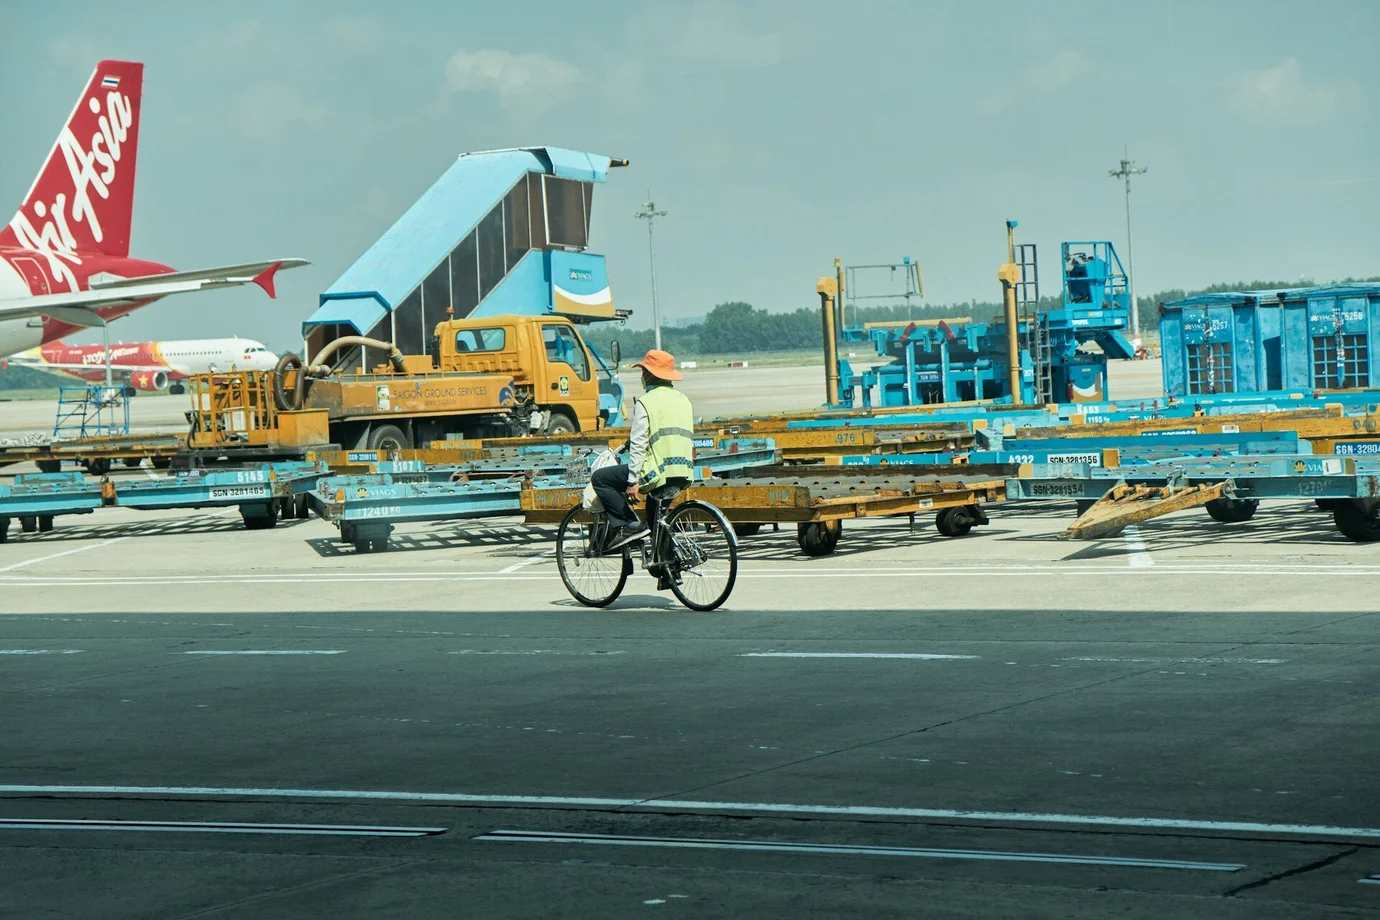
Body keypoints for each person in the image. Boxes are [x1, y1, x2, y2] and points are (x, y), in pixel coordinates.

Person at [591, 349, 695, 550]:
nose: (642, 376)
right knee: (656, 524)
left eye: (643, 372)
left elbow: (639, 445)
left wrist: (633, 481)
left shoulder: (646, 402)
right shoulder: (684, 400)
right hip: (682, 472)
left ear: (649, 375)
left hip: (656, 473)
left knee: (601, 479)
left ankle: (629, 525)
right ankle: (668, 574)